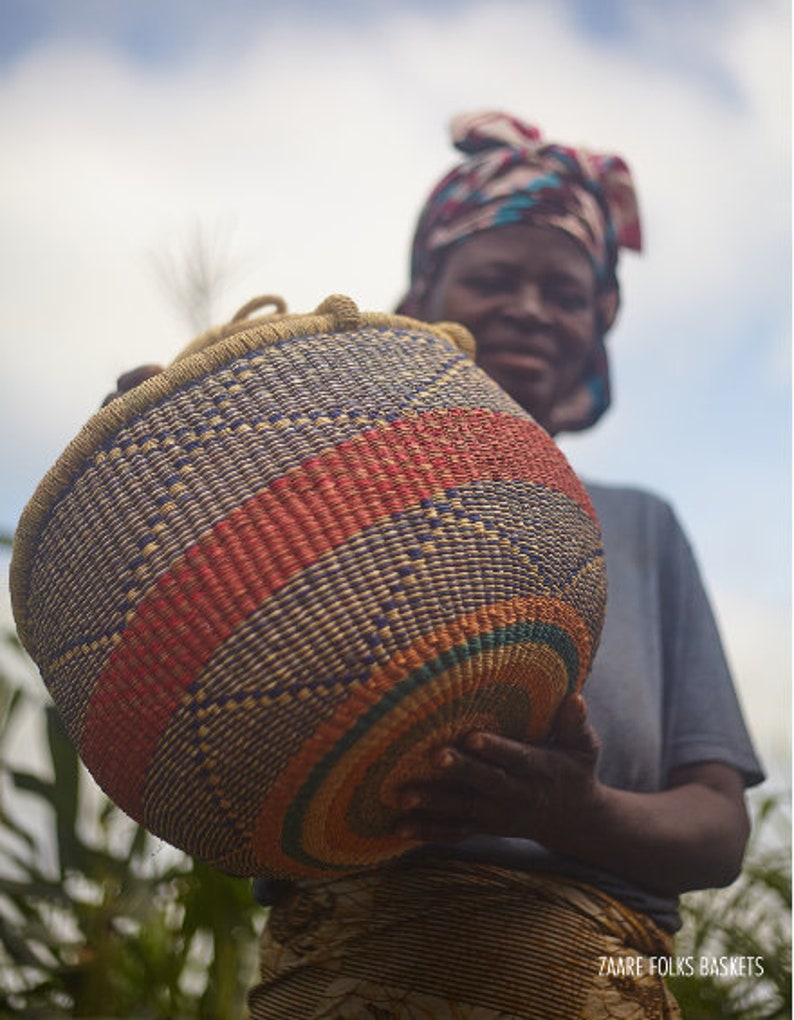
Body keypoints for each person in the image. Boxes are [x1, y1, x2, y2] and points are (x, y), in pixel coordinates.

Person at [106, 111, 764, 1018]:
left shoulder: (643, 528)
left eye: (567, 293)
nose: (533, 307)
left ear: (596, 326)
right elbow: (215, 740)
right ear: (424, 299)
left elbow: (717, 831)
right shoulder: (329, 493)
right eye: (496, 277)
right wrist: (189, 479)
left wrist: (571, 815)